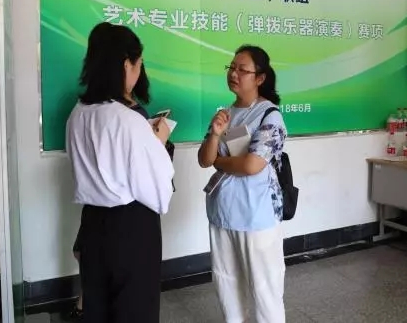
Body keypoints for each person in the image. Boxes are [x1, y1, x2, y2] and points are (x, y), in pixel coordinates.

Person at [66, 23, 175, 322]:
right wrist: (159, 143)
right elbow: (159, 194)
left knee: (97, 308)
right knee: (134, 309)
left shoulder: (78, 113)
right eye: (138, 64)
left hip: (92, 225)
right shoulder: (128, 120)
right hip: (131, 228)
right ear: (127, 64)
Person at [197, 45, 287, 323]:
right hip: (222, 213)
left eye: (242, 69)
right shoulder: (225, 114)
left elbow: (251, 165)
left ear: (260, 78)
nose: (233, 73)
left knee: (264, 289)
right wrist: (215, 134)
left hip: (256, 216)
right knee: (226, 283)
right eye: (231, 68)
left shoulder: (269, 116)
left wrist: (220, 161)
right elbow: (204, 159)